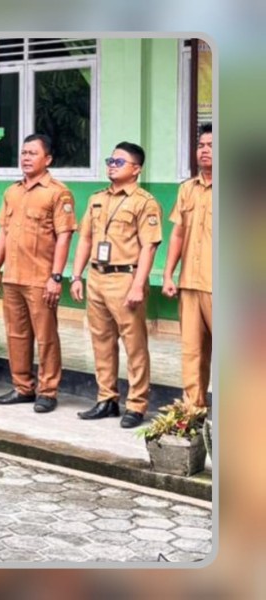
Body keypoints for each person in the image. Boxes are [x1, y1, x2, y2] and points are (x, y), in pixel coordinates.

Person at [69, 142, 163, 429]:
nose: (111, 164)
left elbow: (149, 247)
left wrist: (138, 285)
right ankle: (106, 399)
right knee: (101, 341)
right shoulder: (98, 199)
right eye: (110, 159)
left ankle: (136, 404)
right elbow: (85, 239)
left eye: (119, 162)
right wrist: (76, 275)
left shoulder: (144, 202)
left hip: (125, 278)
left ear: (136, 169)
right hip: (97, 277)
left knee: (134, 345)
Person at [0, 134, 77, 413]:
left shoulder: (58, 193)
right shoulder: (12, 191)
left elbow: (64, 237)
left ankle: (48, 391)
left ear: (47, 159)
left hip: (41, 278)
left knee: (46, 336)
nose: (25, 157)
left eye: (32, 153)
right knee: (16, 334)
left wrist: (56, 277)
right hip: (12, 276)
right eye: (23, 152)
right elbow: (3, 231)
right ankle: (22, 387)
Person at [162, 124, 213, 409]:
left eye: (212, 145)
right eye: (201, 145)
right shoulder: (186, 190)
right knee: (192, 352)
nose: (205, 150)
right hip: (190, 284)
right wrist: (169, 274)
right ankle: (193, 409)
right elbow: (178, 234)